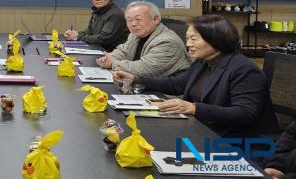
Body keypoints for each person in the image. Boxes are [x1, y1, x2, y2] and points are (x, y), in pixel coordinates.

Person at [113, 14, 279, 138]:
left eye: (194, 39)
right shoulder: (203, 61)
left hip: (236, 141)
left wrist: (194, 108)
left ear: (216, 39)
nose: (188, 44)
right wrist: (136, 79)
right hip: (204, 130)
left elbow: (245, 114)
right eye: (187, 38)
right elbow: (177, 85)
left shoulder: (244, 70)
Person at [96, 1, 190, 77]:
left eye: (138, 19)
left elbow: (144, 69)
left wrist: (113, 64)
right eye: (129, 20)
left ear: (156, 19)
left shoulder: (168, 42)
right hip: (141, 86)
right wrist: (108, 58)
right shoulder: (135, 35)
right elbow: (123, 51)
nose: (133, 24)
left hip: (165, 95)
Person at [63, 0, 128, 51]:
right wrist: (73, 34)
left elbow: (103, 38)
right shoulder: (96, 11)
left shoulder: (116, 14)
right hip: (97, 49)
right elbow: (89, 31)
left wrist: (77, 37)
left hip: (112, 53)